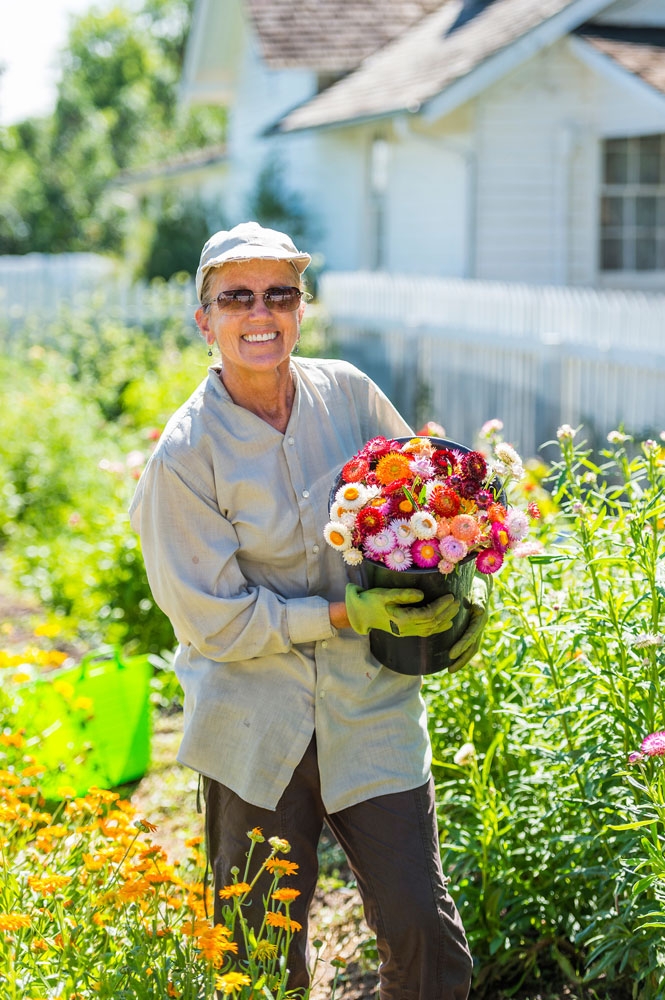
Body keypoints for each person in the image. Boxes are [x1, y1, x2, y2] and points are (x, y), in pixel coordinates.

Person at [129, 221, 489, 999]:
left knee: (423, 931)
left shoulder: (350, 395)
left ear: (301, 306)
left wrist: (455, 577)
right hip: (253, 721)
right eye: (237, 297)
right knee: (257, 954)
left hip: (369, 705)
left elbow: (428, 503)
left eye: (279, 293)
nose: (260, 313)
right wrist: (344, 613)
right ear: (205, 321)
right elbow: (214, 622)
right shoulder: (184, 457)